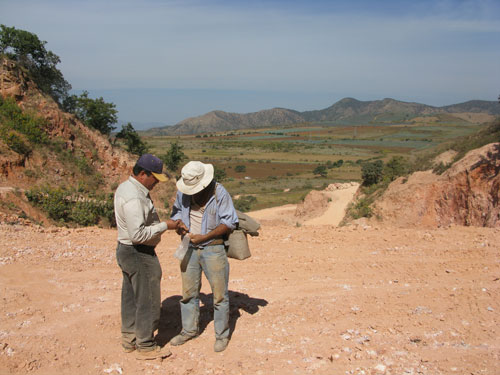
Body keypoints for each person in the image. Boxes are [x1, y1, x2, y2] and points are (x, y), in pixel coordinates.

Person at [114, 153, 187, 360]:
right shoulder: (134, 197)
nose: (156, 182)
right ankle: (146, 345)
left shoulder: (127, 188)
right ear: (143, 174)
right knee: (147, 299)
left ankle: (129, 339)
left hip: (126, 249)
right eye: (154, 178)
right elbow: (138, 235)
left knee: (130, 297)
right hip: (139, 253)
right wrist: (166, 225)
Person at [170, 161, 238, 352]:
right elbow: (176, 214)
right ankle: (189, 330)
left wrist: (205, 237)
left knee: (219, 295)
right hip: (188, 247)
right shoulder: (183, 193)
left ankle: (221, 335)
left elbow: (230, 222)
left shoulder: (219, 192)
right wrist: (179, 227)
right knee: (188, 293)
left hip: (213, 248)